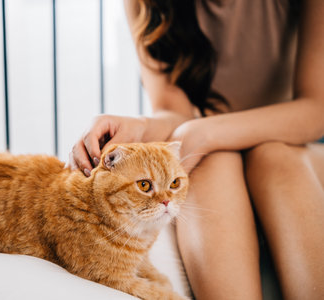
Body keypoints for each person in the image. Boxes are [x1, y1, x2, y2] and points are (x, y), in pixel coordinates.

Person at [68, 0, 324, 299]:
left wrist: (205, 131)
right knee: (208, 160)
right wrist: (140, 126)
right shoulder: (144, 3)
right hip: (214, 154)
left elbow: (316, 111)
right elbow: (172, 111)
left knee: (273, 157)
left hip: (290, 145)